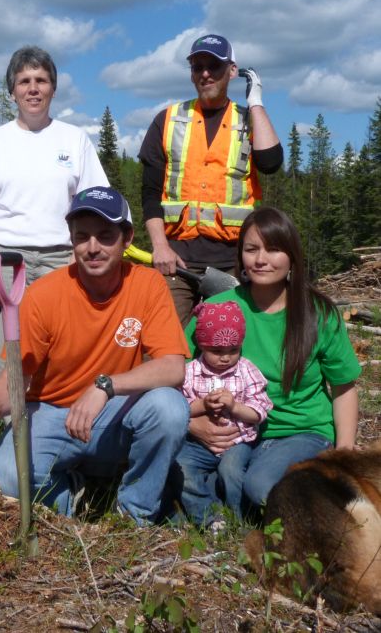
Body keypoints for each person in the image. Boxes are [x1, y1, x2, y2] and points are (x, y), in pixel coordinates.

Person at [0, 186, 190, 525]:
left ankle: (133, 515)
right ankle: (72, 495)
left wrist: (105, 386)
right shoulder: (44, 295)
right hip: (52, 413)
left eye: (105, 236)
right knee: (7, 479)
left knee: (169, 408)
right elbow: (19, 375)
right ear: (71, 239)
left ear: (127, 239)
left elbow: (173, 367)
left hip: (112, 415)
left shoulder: (148, 285)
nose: (93, 248)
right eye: (82, 237)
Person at [176, 206, 361, 515]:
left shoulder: (318, 312)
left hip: (300, 429)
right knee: (172, 463)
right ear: (241, 256)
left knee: (260, 487)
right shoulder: (217, 308)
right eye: (251, 249)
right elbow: (174, 370)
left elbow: (344, 387)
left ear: (292, 256)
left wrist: (343, 451)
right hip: (238, 429)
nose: (261, 259)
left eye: (274, 249)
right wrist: (193, 423)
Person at [0, 45, 108, 373]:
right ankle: (16, 422)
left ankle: (56, 423)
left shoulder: (74, 140)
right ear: (12, 91)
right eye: (24, 80)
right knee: (9, 359)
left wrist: (78, 260)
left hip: (62, 258)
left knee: (62, 355)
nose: (33, 88)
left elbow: (93, 206)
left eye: (41, 80)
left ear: (53, 88)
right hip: (4, 261)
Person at [140, 34, 283, 326]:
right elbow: (150, 193)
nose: (205, 73)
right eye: (197, 67)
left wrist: (255, 102)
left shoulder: (248, 120)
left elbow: (271, 163)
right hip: (177, 260)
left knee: (228, 344)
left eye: (214, 66)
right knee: (168, 344)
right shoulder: (167, 120)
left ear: (232, 71)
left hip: (232, 262)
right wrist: (160, 247)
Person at [176, 300, 272, 529]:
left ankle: (238, 519)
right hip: (198, 442)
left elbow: (260, 411)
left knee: (231, 471)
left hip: (237, 441)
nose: (226, 357)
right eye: (216, 351)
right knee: (180, 466)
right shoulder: (190, 373)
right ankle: (209, 517)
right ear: (202, 345)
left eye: (233, 350)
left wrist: (235, 407)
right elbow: (180, 407)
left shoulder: (247, 370)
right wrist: (203, 405)